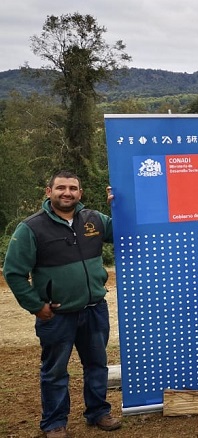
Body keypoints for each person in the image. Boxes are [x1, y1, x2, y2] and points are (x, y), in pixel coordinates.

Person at [3, 171, 121, 438]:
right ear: (49, 192)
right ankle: (54, 423)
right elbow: (13, 272)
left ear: (80, 193)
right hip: (57, 315)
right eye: (61, 188)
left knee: (97, 365)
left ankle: (98, 412)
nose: (67, 193)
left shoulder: (93, 220)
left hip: (94, 309)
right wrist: (36, 305)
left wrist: (119, 205)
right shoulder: (31, 228)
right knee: (55, 371)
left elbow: (122, 231)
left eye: (73, 188)